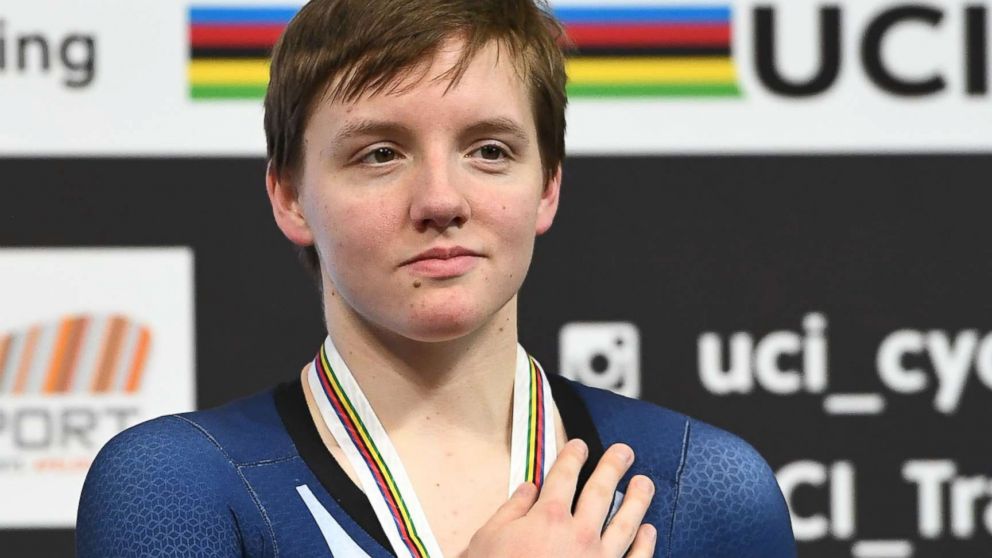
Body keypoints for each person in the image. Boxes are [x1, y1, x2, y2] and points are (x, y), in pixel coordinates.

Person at [76, 0, 796, 556]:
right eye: (381, 154)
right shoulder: (177, 488)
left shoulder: (701, 490)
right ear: (290, 197)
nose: (442, 201)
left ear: (547, 186)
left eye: (488, 149)